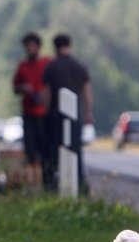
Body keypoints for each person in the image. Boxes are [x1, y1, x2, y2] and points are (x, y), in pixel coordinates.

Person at [41, 33, 93, 195]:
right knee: (76, 150)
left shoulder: (51, 67)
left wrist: (45, 111)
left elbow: (46, 94)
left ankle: (54, 183)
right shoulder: (80, 66)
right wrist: (88, 113)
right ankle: (78, 183)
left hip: (55, 117)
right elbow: (86, 92)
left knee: (55, 151)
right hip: (75, 116)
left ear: (55, 47)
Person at [12, 32, 51, 183]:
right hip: (29, 112)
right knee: (30, 146)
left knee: (45, 146)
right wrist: (23, 88)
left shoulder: (46, 63)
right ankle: (33, 178)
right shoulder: (22, 66)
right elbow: (15, 88)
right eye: (27, 46)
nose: (30, 49)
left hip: (43, 112)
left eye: (32, 46)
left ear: (38, 47)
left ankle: (46, 176)